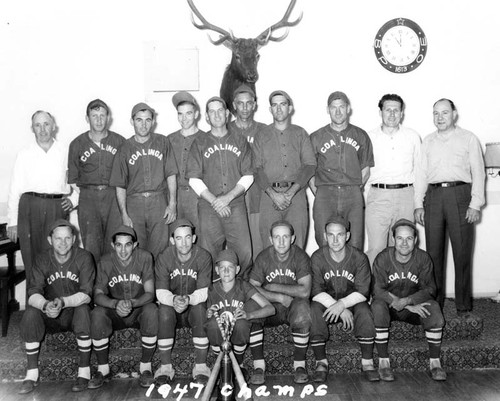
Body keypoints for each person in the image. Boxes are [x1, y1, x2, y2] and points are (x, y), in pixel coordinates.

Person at [414, 99, 485, 315]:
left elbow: (478, 173)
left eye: (445, 113)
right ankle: (436, 303)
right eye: (436, 113)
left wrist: (475, 203)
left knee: (462, 253)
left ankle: (463, 305)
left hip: (460, 195)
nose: (440, 117)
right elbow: (421, 175)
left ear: (454, 114)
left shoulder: (468, 139)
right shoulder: (427, 141)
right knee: (433, 254)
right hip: (434, 197)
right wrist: (418, 204)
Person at [18, 219, 95, 394]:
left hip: (73, 312)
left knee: (84, 309)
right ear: (49, 240)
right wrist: (45, 305)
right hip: (50, 313)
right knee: (30, 313)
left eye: (67, 238)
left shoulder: (84, 257)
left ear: (74, 239)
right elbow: (32, 292)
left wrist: (63, 301)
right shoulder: (42, 258)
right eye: (58, 238)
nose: (62, 243)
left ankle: (84, 372)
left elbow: (86, 294)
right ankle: (31, 374)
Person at [371, 218, 446, 381]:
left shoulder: (423, 258)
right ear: (393, 239)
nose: (404, 243)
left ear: (416, 240)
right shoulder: (383, 258)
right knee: (377, 306)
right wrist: (401, 303)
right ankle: (383, 362)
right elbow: (377, 290)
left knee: (434, 308)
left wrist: (407, 302)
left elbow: (430, 289)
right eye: (400, 238)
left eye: (409, 238)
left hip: (414, 307)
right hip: (389, 308)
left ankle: (435, 362)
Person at [187, 97, 254, 277]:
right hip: (209, 205)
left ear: (226, 114)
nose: (216, 114)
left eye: (220, 110)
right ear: (207, 117)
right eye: (212, 111)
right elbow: (193, 179)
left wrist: (227, 198)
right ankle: (214, 295)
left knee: (244, 252)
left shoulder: (240, 140)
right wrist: (216, 201)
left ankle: (240, 292)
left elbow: (248, 175)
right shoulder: (199, 142)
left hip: (235, 203)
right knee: (208, 253)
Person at [7, 111, 75, 286]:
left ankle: (56, 303)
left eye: (46, 124)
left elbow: (79, 182)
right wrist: (12, 222)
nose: (42, 129)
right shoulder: (24, 154)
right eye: (38, 125)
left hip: (56, 206)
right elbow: (15, 189)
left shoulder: (65, 151)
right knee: (32, 258)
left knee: (58, 254)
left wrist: (74, 200)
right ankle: (34, 304)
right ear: (32, 128)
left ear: (54, 126)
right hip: (30, 207)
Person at [89, 225, 158, 389]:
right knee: (97, 313)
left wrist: (133, 303)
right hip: (115, 310)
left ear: (135, 245)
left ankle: (145, 367)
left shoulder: (145, 257)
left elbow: (150, 293)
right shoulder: (105, 261)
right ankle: (103, 369)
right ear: (113, 245)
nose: (123, 250)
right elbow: (97, 294)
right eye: (118, 245)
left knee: (152, 310)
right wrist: (115, 304)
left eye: (128, 244)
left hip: (138, 309)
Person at [309, 215, 377, 383]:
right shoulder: (317, 257)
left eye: (339, 234)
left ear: (347, 236)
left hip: (352, 302)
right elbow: (315, 291)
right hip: (327, 302)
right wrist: (337, 306)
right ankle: (321, 362)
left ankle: (367, 362)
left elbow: (363, 292)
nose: (335, 239)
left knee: (365, 310)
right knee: (314, 309)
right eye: (330, 235)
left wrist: (343, 304)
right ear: (324, 236)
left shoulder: (359, 257)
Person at [110, 102, 178, 259]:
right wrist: (124, 214)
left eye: (148, 120)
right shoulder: (124, 148)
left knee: (160, 248)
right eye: (139, 120)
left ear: (153, 122)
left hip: (158, 202)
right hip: (135, 203)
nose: (143, 124)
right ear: (132, 121)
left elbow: (171, 174)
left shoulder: (163, 142)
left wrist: (172, 203)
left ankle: (158, 284)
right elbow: (120, 185)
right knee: (137, 249)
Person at [248, 220, 312, 385]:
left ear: (292, 238)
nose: (281, 241)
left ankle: (299, 365)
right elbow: (251, 287)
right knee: (252, 306)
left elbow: (305, 290)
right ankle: (258, 366)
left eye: (285, 237)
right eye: (277, 237)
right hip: (271, 308)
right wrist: (278, 297)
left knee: (303, 308)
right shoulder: (263, 256)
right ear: (271, 239)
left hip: (293, 306)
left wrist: (275, 286)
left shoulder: (300, 256)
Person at [252, 90, 316, 249]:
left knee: (297, 244)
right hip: (269, 196)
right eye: (274, 105)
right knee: (268, 246)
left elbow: (309, 166)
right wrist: (274, 195)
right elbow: (256, 169)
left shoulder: (300, 133)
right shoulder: (261, 135)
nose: (279, 109)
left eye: (283, 104)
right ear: (270, 109)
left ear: (290, 108)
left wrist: (291, 192)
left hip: (296, 196)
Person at [310, 92, 374, 249]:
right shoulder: (316, 137)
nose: (338, 112)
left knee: (355, 241)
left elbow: (365, 169)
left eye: (341, 107)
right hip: (325, 193)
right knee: (324, 239)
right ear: (328, 110)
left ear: (348, 109)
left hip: (352, 193)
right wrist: (318, 192)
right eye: (333, 108)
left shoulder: (360, 135)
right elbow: (309, 171)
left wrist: (353, 190)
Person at [155, 219, 212, 384]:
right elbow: (160, 291)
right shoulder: (164, 256)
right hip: (172, 307)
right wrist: (173, 299)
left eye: (188, 237)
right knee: (164, 310)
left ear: (194, 238)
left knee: (201, 309)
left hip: (193, 305)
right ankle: (165, 367)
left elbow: (204, 291)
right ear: (172, 240)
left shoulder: (203, 256)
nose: (184, 242)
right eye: (179, 238)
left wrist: (188, 299)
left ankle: (201, 366)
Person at [366, 94, 421, 265]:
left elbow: (420, 171)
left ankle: (400, 290)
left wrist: (418, 203)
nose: (392, 114)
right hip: (378, 195)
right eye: (387, 110)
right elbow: (363, 171)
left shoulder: (412, 136)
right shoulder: (369, 137)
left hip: (406, 196)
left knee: (403, 247)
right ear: (380, 112)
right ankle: (375, 290)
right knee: (376, 248)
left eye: (396, 110)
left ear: (402, 113)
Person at [68, 99, 125, 263]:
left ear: (108, 118)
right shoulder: (77, 144)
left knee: (115, 242)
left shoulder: (120, 142)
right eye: (94, 116)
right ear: (87, 118)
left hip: (113, 197)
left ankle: (112, 286)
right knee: (91, 245)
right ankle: (95, 288)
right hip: (88, 198)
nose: (99, 120)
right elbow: (72, 179)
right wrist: (89, 193)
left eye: (102, 115)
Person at [206, 249, 274, 376]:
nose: (226, 272)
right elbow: (207, 313)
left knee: (242, 321)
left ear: (237, 269)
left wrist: (249, 315)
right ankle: (220, 361)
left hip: (238, 330)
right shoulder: (212, 288)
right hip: (222, 332)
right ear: (216, 270)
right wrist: (209, 313)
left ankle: (238, 361)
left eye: (230, 267)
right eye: (222, 268)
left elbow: (271, 309)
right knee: (212, 325)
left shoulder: (244, 286)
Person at [229, 84, 267, 257]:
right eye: (240, 103)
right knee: (237, 250)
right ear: (234, 105)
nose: (244, 107)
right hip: (233, 194)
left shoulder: (265, 130)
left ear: (254, 105)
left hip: (258, 195)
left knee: (258, 245)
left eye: (248, 103)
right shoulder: (225, 130)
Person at [167, 92, 205, 235]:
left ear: (196, 114)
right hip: (174, 197)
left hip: (197, 198)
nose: (184, 118)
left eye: (188, 113)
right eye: (180, 114)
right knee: (175, 238)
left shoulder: (205, 139)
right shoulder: (169, 140)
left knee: (199, 237)